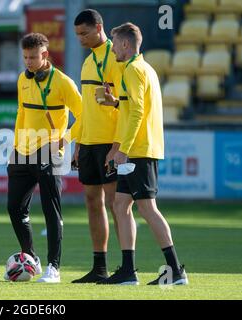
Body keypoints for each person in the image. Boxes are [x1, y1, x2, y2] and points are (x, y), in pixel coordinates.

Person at [98, 22, 188, 285]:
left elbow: (137, 112)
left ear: (125, 45)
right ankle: (128, 271)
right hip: (137, 148)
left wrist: (123, 149)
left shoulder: (133, 70)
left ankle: (175, 271)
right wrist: (115, 103)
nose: (113, 48)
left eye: (114, 43)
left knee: (147, 208)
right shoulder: (143, 68)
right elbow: (133, 108)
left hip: (138, 150)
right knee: (120, 204)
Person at [6, 33, 82, 283]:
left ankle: (54, 268)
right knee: (14, 208)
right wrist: (15, 148)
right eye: (25, 57)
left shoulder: (63, 83)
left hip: (50, 153)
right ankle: (32, 258)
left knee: (51, 211)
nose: (28, 62)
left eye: (32, 57)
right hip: (22, 153)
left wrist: (65, 139)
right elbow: (21, 114)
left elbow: (84, 116)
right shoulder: (22, 79)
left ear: (45, 55)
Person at [71, 9, 125, 283]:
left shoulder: (115, 57)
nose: (80, 39)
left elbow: (123, 104)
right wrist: (79, 141)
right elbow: (85, 107)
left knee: (117, 204)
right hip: (90, 142)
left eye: (85, 33)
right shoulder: (88, 61)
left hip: (109, 142)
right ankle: (100, 266)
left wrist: (117, 145)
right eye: (77, 34)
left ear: (99, 27)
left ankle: (127, 265)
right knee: (93, 202)